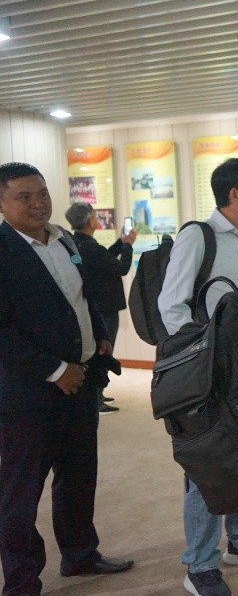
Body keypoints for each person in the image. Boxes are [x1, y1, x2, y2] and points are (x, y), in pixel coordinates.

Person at [0, 162, 134, 595]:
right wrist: (55, 370)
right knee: (20, 492)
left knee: (78, 476)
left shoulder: (63, 240)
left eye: (41, 193)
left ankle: (79, 554)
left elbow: (80, 295)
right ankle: (22, 580)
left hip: (81, 384)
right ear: (1, 203)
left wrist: (100, 334)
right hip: (27, 395)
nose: (37, 203)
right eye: (24, 197)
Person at [157, 158, 238, 596]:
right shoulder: (198, 235)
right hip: (208, 372)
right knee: (206, 465)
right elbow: (172, 305)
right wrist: (200, 358)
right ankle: (200, 564)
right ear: (234, 193)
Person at [66, 202, 137, 414]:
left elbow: (105, 258)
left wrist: (121, 243)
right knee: (104, 349)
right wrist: (128, 246)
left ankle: (98, 394)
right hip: (104, 308)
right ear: (90, 221)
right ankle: (97, 397)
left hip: (93, 305)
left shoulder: (76, 244)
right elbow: (121, 268)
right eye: (95, 216)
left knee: (97, 350)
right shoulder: (90, 248)